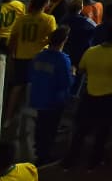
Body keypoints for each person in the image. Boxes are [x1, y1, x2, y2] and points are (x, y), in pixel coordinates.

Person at [64, 21, 112, 171]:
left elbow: (81, 69)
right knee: (102, 133)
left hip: (89, 95)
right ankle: (93, 162)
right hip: (109, 98)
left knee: (80, 131)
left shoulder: (91, 51)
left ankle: (69, 161)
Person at [28, 26, 73, 166]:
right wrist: (74, 74)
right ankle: (45, 157)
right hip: (54, 101)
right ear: (64, 40)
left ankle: (38, 149)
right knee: (50, 129)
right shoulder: (62, 60)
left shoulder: (39, 55)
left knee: (41, 124)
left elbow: (32, 75)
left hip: (39, 97)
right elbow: (65, 83)